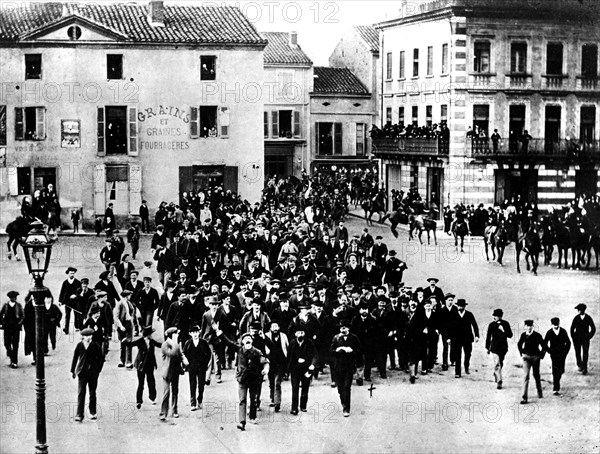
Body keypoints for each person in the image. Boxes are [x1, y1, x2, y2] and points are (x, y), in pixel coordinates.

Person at [235, 332, 270, 431]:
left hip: (254, 379)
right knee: (242, 400)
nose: (247, 340)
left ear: (252, 341)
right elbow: (228, 342)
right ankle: (242, 422)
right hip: (242, 379)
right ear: (242, 342)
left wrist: (266, 369)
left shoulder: (257, 352)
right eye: (245, 339)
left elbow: (265, 361)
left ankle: (252, 416)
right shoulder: (239, 350)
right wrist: (219, 333)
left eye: (249, 339)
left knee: (253, 399)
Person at [71, 327, 104, 422]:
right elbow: (75, 358)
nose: (89, 337)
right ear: (83, 337)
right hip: (82, 372)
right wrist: (73, 370)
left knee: (92, 393)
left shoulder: (95, 345)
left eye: (90, 335)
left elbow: (101, 358)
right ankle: (79, 414)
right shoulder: (79, 346)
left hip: (93, 373)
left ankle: (92, 412)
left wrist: (98, 370)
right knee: (81, 393)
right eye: (87, 336)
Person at [123, 326, 161, 409]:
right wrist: (125, 341)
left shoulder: (152, 341)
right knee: (141, 383)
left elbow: (159, 345)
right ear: (147, 335)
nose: (151, 335)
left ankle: (152, 397)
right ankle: (139, 401)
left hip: (150, 364)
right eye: (150, 334)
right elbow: (131, 344)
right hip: (141, 365)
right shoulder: (140, 341)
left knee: (151, 381)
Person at [330, 319, 361, 417]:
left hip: (349, 366)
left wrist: (352, 351)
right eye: (341, 327)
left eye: (345, 327)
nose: (343, 329)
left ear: (348, 328)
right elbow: (330, 351)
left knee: (347, 386)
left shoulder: (354, 338)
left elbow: (360, 351)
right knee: (340, 388)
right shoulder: (336, 338)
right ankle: (343, 402)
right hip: (338, 367)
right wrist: (337, 350)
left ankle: (346, 408)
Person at [287, 326, 318, 415]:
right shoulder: (292, 343)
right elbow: (289, 357)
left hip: (306, 369)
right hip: (295, 370)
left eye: (302, 333)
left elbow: (315, 355)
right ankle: (294, 408)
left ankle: (303, 405)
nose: (300, 334)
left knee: (305, 388)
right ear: (295, 334)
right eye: (298, 333)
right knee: (295, 388)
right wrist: (295, 362)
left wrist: (312, 365)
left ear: (304, 334)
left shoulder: (309, 343)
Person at [181, 325, 212, 411]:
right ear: (190, 334)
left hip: (202, 367)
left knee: (201, 385)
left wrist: (205, 363)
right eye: (193, 332)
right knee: (192, 384)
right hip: (192, 368)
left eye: (197, 332)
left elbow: (209, 354)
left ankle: (200, 399)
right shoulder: (188, 343)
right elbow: (183, 355)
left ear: (199, 332)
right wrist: (186, 365)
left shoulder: (204, 343)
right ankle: (193, 403)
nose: (195, 334)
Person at [517, 320, 546, 404]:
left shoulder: (537, 335)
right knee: (525, 376)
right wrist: (521, 352)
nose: (529, 328)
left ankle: (539, 392)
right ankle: (524, 397)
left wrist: (540, 356)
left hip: (535, 358)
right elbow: (519, 344)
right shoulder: (523, 335)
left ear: (532, 326)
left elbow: (544, 345)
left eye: (530, 326)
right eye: (527, 326)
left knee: (536, 375)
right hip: (526, 358)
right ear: (525, 326)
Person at [485, 308, 513, 389]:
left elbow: (510, 335)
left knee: (501, 363)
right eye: (494, 316)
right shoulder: (491, 325)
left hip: (503, 347)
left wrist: (503, 330)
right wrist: (487, 347)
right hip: (494, 347)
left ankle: (496, 374)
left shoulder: (505, 324)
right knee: (497, 363)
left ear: (500, 316)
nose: (494, 317)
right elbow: (488, 337)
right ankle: (499, 381)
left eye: (496, 316)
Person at [160, 327, 184, 420]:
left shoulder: (177, 345)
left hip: (175, 371)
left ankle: (174, 410)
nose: (178, 335)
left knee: (175, 392)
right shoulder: (165, 345)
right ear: (172, 335)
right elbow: (173, 353)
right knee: (166, 393)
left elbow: (180, 354)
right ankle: (163, 412)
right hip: (167, 372)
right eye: (176, 333)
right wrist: (173, 343)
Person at [451, 299, 479, 378]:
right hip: (457, 339)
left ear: (464, 306)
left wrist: (477, 335)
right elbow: (450, 327)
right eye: (459, 306)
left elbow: (475, 325)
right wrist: (449, 337)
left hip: (467, 338)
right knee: (457, 355)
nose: (460, 307)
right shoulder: (454, 314)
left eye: (462, 306)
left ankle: (466, 365)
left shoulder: (469, 314)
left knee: (468, 354)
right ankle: (457, 372)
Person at [265, 320, 288, 412]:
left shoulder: (283, 336)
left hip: (280, 362)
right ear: (270, 328)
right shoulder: (266, 336)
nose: (275, 328)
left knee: (277, 382)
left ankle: (277, 403)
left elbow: (287, 347)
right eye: (273, 327)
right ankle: (272, 398)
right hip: (270, 362)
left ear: (279, 328)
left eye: (276, 326)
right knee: (271, 382)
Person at [544, 317, 571, 395]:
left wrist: (565, 352)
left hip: (562, 354)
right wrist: (549, 350)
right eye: (554, 325)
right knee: (555, 370)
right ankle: (556, 388)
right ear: (552, 324)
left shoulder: (563, 331)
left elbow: (568, 343)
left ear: (559, 323)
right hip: (554, 354)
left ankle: (557, 379)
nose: (555, 326)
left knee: (561, 370)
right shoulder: (549, 332)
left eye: (557, 324)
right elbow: (544, 343)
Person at [114, 290, 138, 368]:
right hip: (121, 324)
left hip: (128, 324)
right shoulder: (119, 304)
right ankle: (122, 360)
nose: (130, 297)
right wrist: (120, 326)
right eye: (129, 295)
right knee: (122, 343)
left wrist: (131, 319)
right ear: (126, 296)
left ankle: (128, 362)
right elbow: (116, 317)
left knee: (129, 342)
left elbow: (132, 311)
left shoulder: (129, 303)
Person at [0, 291, 24, 368]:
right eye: (12, 297)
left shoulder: (18, 306)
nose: (13, 298)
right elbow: (0, 315)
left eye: (14, 297)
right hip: (7, 327)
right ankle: (10, 354)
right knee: (7, 343)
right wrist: (2, 323)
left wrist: (19, 323)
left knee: (15, 344)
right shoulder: (5, 305)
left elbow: (23, 316)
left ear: (16, 298)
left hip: (16, 327)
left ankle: (14, 362)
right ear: (9, 298)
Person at [570, 303, 596, 375]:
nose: (578, 311)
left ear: (583, 310)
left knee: (585, 353)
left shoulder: (588, 318)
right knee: (577, 353)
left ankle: (585, 367)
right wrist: (573, 338)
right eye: (578, 310)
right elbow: (572, 329)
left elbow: (593, 328)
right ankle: (580, 365)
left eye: (579, 310)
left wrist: (589, 336)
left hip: (585, 339)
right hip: (577, 339)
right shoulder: (576, 318)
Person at [58, 266, 81, 335]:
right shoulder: (65, 282)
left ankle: (77, 327)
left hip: (75, 301)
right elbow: (62, 292)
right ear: (68, 274)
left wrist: (75, 295)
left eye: (73, 273)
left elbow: (80, 291)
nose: (72, 275)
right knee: (67, 315)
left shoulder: (77, 282)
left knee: (76, 314)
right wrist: (60, 301)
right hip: (67, 302)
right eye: (71, 273)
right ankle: (66, 329)